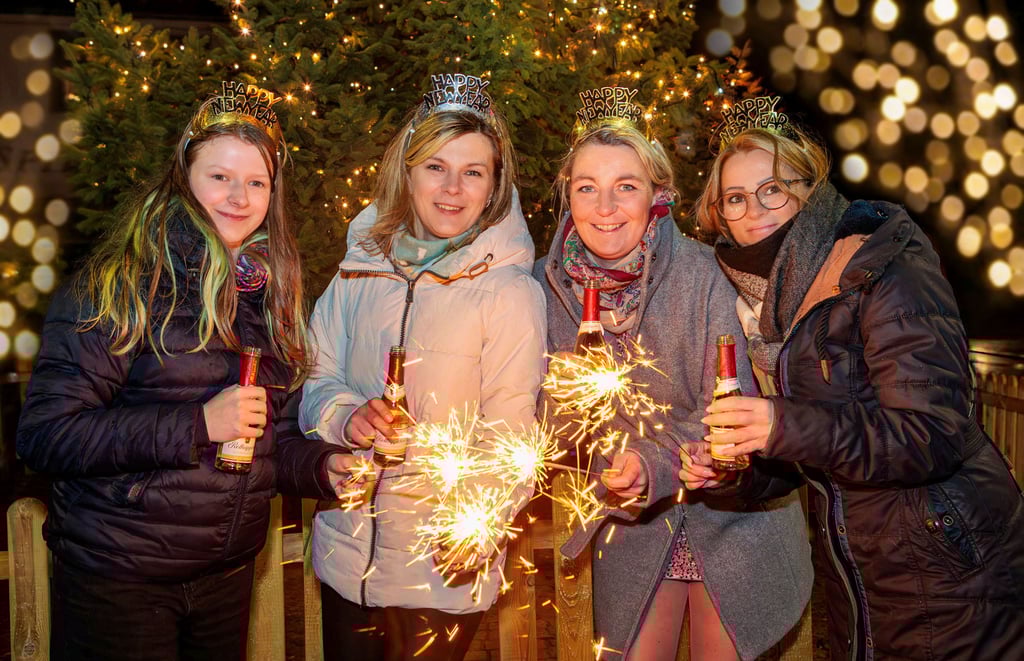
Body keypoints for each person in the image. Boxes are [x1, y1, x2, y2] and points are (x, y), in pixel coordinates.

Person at [15, 80, 351, 660]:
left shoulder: (268, 297)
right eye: (219, 176)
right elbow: (45, 436)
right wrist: (197, 424)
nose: (239, 197)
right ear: (184, 177)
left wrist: (326, 468)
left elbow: (273, 439)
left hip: (226, 575)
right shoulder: (120, 288)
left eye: (256, 182)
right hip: (121, 576)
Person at [687, 96, 1024, 659]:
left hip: (951, 574)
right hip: (864, 577)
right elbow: (816, 451)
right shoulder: (769, 305)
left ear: (808, 185)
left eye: (772, 188)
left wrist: (780, 423)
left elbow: (932, 435)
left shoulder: (880, 265)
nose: (754, 211)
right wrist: (735, 470)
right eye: (736, 199)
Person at [534, 87, 813, 661]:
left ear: (658, 193)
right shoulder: (543, 287)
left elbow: (730, 404)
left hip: (732, 519)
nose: (605, 207)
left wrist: (654, 460)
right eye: (588, 187)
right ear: (568, 194)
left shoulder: (709, 273)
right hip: (634, 524)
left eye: (626, 187)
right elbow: (544, 415)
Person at [298, 73, 547, 661]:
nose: (452, 189)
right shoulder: (357, 271)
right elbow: (316, 376)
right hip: (347, 554)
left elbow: (513, 431)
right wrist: (345, 415)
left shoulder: (507, 290)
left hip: (440, 566)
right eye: (435, 167)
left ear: (495, 184)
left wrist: (475, 525)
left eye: (473, 172)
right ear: (405, 172)